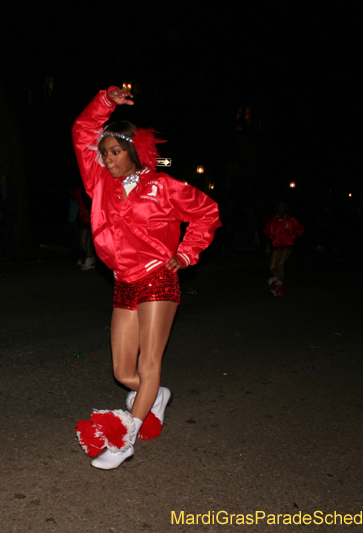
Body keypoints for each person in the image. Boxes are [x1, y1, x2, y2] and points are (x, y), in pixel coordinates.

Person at [72, 86, 221, 469]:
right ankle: (156, 395)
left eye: (115, 152)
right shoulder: (98, 182)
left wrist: (187, 253)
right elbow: (82, 131)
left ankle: (126, 439)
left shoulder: (163, 187)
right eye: (104, 153)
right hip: (123, 280)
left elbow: (207, 211)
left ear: (134, 152)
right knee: (123, 372)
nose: (107, 160)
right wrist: (105, 102)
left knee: (147, 364)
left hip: (157, 279)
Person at [264, 200, 304, 297]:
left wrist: (292, 236)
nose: (280, 209)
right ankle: (278, 281)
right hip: (277, 245)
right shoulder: (273, 219)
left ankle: (279, 286)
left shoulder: (291, 220)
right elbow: (266, 229)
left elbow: (301, 229)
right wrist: (271, 236)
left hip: (287, 245)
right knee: (272, 267)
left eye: (282, 207)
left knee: (280, 265)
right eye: (279, 207)